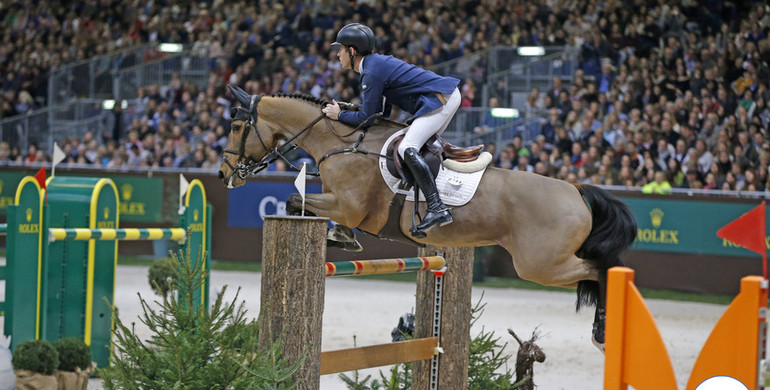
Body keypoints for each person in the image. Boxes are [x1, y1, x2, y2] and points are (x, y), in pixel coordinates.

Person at [322, 23, 460, 234]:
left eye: (340, 49)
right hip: (444, 97)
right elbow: (380, 113)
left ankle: (437, 207)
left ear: (351, 51)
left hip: (441, 99)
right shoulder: (374, 65)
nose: (337, 54)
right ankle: (432, 204)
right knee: (418, 150)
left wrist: (339, 115)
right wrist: (349, 108)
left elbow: (367, 118)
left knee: (407, 148)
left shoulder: (372, 72)